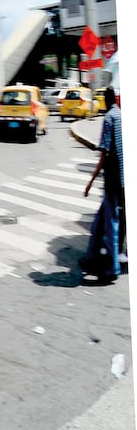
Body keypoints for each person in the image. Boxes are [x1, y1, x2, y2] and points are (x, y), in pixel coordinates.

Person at [82, 86, 124, 284]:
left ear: (104, 101)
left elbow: (104, 154)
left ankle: (112, 267)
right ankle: (90, 257)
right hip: (123, 180)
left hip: (114, 181)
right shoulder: (123, 116)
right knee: (100, 220)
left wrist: (90, 181)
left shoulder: (109, 118)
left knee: (111, 224)